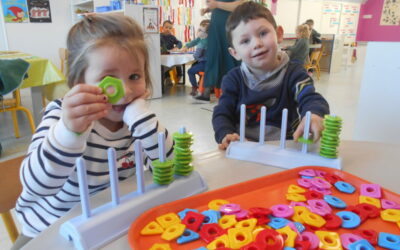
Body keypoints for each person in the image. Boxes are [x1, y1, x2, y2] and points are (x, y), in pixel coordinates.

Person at [12, 14, 173, 248]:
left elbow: (172, 167)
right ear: (79, 81)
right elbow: (37, 185)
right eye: (108, 78)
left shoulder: (137, 119)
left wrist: (141, 119)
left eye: (135, 76)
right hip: (50, 230)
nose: (125, 91)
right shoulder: (61, 116)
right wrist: (69, 132)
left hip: (109, 224)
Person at [212, 2, 329, 150]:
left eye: (263, 33)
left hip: (285, 150)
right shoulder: (233, 79)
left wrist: (313, 114)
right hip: (244, 150)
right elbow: (222, 113)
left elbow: (311, 98)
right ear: (235, 53)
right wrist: (225, 133)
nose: (257, 44)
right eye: (245, 41)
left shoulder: (294, 74)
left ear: (279, 34)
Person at [195, 0, 243, 101]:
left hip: (228, 26)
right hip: (216, 27)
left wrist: (217, 4)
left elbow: (239, 5)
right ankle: (206, 91)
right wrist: (208, 9)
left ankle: (234, 91)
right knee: (213, 56)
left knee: (230, 56)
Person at [183, 19, 210, 96]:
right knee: (194, 66)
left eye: (200, 30)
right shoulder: (205, 38)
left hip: (205, 63)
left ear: (206, 33)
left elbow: (196, 56)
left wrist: (194, 56)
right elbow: (195, 41)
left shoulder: (203, 42)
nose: (198, 31)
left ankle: (195, 88)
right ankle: (201, 84)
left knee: (190, 71)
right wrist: (186, 46)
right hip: (210, 63)